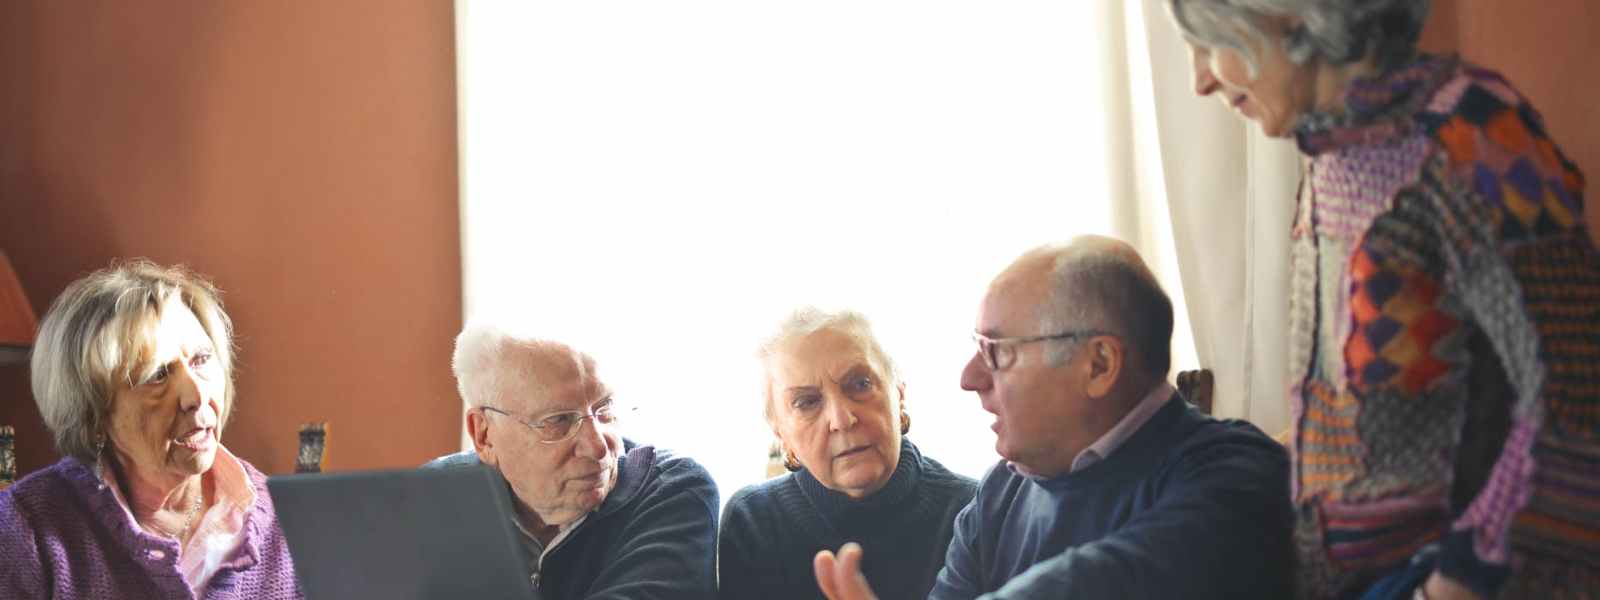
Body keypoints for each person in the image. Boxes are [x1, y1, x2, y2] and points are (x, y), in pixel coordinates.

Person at [1164, 1, 1597, 597]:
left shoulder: (1473, 133)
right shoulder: (1331, 155)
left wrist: (1455, 583)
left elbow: (1578, 393)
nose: (1201, 78)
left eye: (1208, 42)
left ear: (1290, 14)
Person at [815, 236, 1293, 599]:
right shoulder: (999, 495)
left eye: (996, 352)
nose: (968, 378)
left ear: (1099, 364)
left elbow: (1110, 582)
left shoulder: (1239, 474)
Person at [0, 260, 302, 599]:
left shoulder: (286, 521)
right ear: (93, 412)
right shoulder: (26, 529)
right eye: (157, 375)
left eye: (201, 360)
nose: (196, 395)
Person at [423, 322, 719, 599]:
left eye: (604, 409)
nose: (599, 447)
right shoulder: (432, 499)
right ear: (484, 435)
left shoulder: (670, 492)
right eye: (560, 420)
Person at [719, 308, 977, 600]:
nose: (841, 419)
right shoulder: (754, 522)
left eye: (860, 384)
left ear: (899, 394)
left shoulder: (974, 509)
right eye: (806, 402)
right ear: (781, 435)